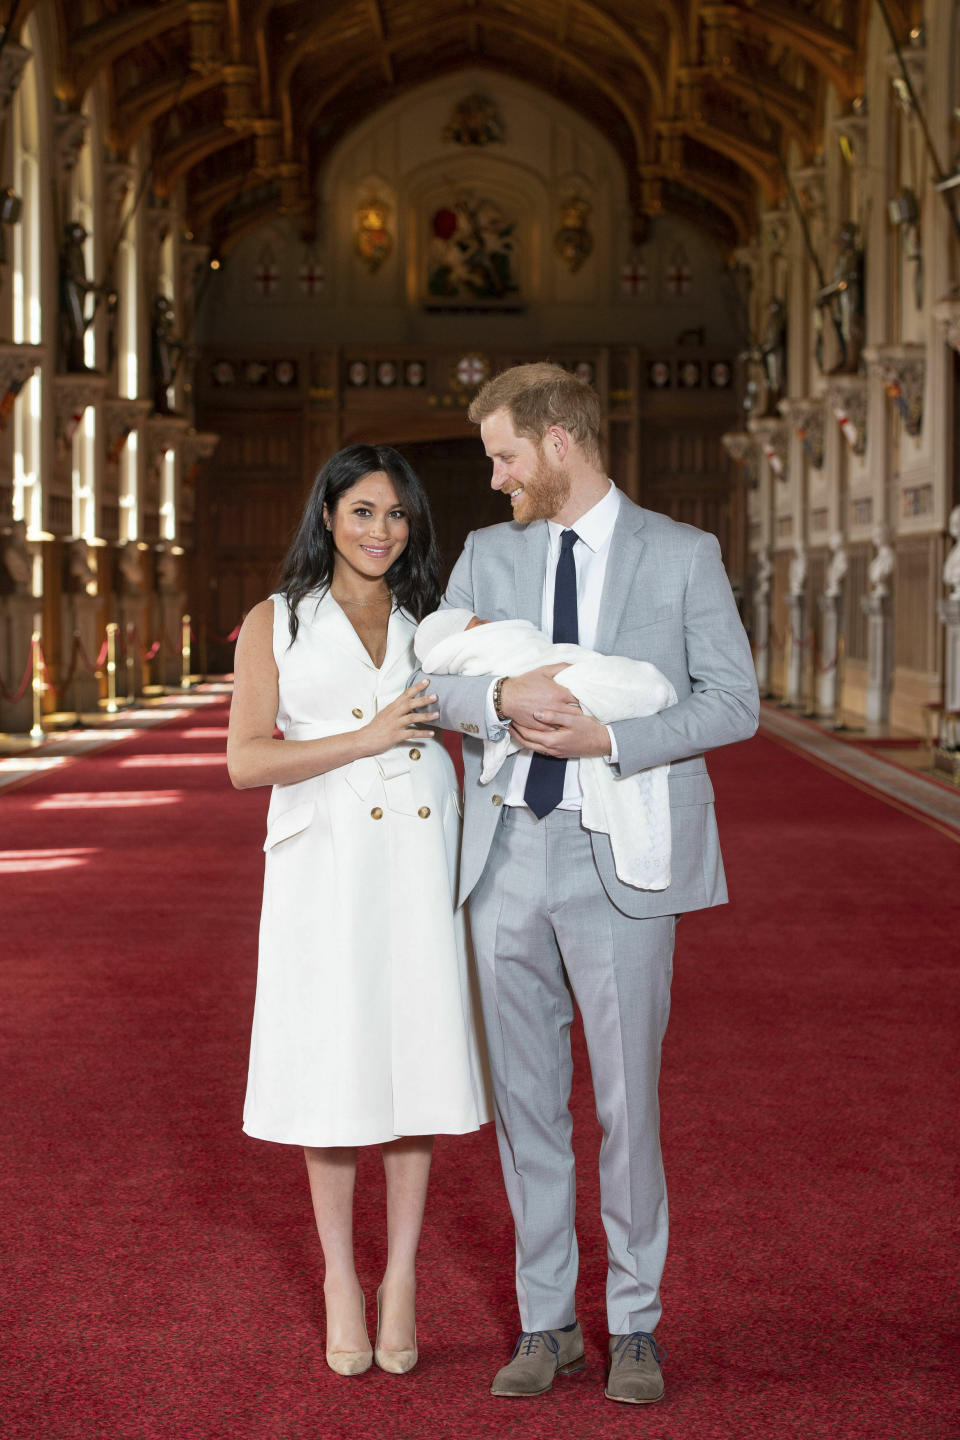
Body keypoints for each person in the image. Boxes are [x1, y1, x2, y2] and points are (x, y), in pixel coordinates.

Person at [415, 362, 759, 1406]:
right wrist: (501, 691)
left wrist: (611, 732)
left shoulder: (683, 554)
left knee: (627, 1105)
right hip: (507, 855)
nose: (496, 479)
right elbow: (434, 680)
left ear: (559, 444)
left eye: (505, 456)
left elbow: (733, 703)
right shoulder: (487, 553)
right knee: (527, 1106)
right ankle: (546, 1321)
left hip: (623, 855)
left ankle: (637, 1325)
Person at [227, 444, 490, 1379]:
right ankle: (343, 1275)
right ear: (329, 516)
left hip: (420, 853)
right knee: (336, 1066)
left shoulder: (436, 623)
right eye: (364, 511)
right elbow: (247, 761)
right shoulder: (277, 621)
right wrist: (366, 735)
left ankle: (402, 1278)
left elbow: (490, 704)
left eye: (398, 515)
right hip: (326, 860)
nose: (382, 531)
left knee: (413, 1058)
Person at [413, 607, 677, 889]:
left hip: (596, 817)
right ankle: (646, 688)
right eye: (478, 624)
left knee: (604, 679)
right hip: (505, 831)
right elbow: (421, 687)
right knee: (602, 684)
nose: (489, 623)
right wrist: (502, 697)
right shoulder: (476, 582)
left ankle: (647, 688)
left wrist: (606, 740)